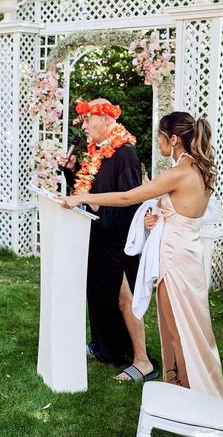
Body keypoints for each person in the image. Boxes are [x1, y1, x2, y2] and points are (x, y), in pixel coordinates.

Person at [61, 111, 223, 399]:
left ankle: (195, 395)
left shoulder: (178, 173)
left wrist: (82, 197)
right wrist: (156, 220)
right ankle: (182, 387)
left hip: (174, 259)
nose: (158, 141)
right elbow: (185, 213)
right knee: (188, 328)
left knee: (178, 330)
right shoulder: (199, 169)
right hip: (186, 253)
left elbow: (127, 197)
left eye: (161, 137)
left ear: (173, 139)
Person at [59, 98, 157, 382]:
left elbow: (129, 199)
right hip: (98, 233)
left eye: (89, 120)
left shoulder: (124, 152)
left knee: (125, 298)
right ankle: (106, 348)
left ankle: (142, 361)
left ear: (106, 119)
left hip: (118, 238)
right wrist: (71, 171)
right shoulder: (95, 151)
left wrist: (102, 215)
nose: (85, 125)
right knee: (101, 296)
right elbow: (90, 189)